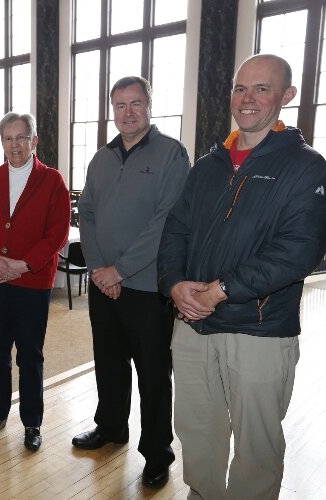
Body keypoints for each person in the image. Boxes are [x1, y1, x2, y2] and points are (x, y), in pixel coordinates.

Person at [158, 54, 326, 499]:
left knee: (256, 445)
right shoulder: (208, 164)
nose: (247, 99)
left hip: (259, 328)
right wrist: (174, 284)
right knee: (197, 430)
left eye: (261, 88)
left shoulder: (307, 166)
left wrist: (221, 290)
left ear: (287, 96)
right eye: (239, 88)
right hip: (193, 324)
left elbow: (299, 250)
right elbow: (176, 230)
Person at [73, 76, 190, 488]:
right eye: (120, 105)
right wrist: (99, 268)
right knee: (108, 361)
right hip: (103, 284)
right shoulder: (101, 158)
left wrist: (119, 270)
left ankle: (157, 452)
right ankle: (111, 426)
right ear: (112, 110)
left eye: (136, 103)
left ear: (149, 105)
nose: (128, 112)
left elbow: (167, 221)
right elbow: (86, 213)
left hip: (148, 287)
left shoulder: (172, 154)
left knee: (153, 372)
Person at [0, 112, 71, 453]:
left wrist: (23, 265)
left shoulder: (52, 181)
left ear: (34, 140)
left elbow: (58, 232)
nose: (15, 145)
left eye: (21, 137)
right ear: (2, 143)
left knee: (30, 354)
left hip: (32, 282)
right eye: (8, 139)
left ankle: (32, 422)